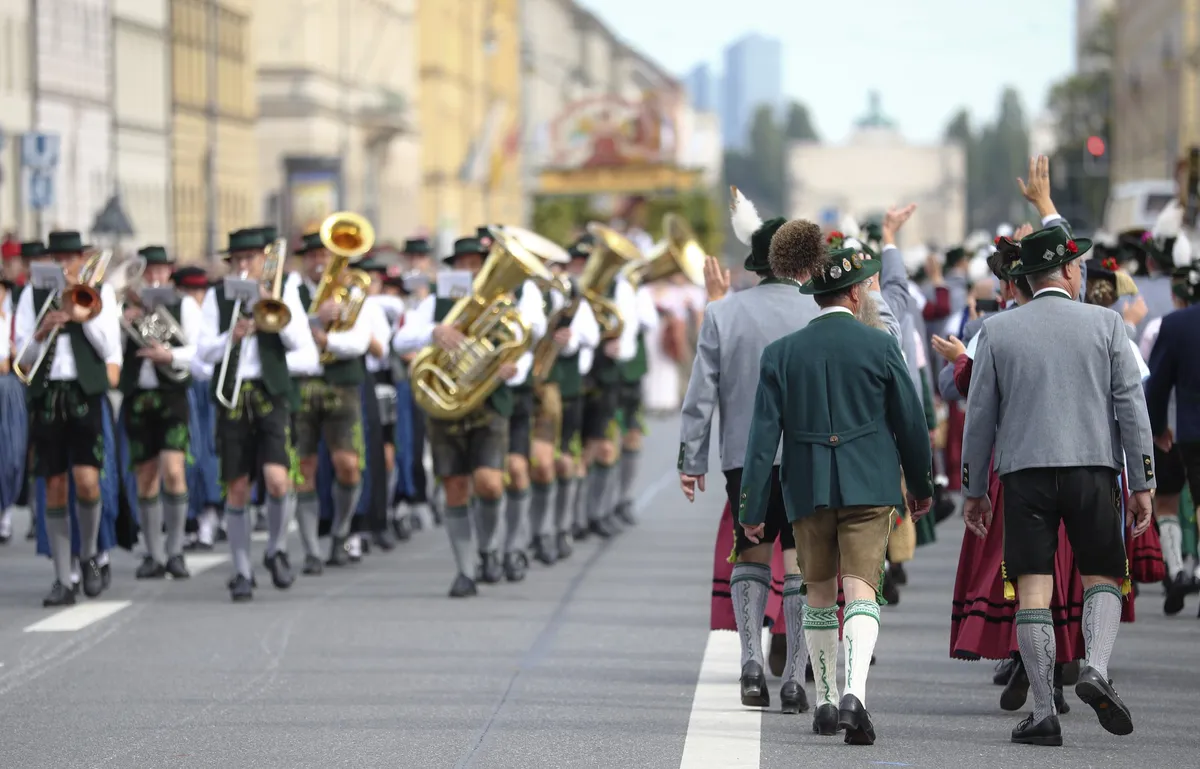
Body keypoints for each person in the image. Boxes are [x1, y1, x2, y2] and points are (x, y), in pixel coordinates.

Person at [961, 208, 1157, 745]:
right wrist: (1142, 482)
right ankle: (1093, 665)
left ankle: (1045, 710)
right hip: (1092, 466)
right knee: (1101, 573)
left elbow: (979, 420)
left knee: (1032, 588)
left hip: (1024, 472)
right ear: (1070, 273)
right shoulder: (1108, 324)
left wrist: (974, 491)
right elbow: (1131, 410)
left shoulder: (996, 330)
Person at [738, 245, 934, 745]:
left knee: (818, 590)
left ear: (816, 296)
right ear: (853, 292)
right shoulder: (881, 344)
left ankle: (825, 701)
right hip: (869, 483)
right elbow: (911, 423)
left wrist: (752, 509)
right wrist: (921, 484)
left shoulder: (781, 353)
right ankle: (855, 695)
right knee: (862, 588)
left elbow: (762, 441)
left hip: (805, 484)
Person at [678, 191, 823, 715]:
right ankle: (795, 677)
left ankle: (749, 662)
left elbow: (700, 394)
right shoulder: (819, 310)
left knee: (750, 552)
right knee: (802, 565)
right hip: (810, 454)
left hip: (744, 456)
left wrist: (690, 459)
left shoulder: (723, 312)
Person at [392, 234, 539, 597]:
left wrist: (513, 370)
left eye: (478, 264)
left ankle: (488, 549)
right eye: (465, 264)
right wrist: (434, 331)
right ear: (454, 269)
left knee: (489, 481)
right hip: (446, 405)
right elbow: (401, 341)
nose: (471, 270)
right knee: (455, 487)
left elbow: (526, 345)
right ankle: (465, 569)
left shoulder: (505, 303)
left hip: (488, 403)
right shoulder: (435, 303)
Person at [196, 228, 312, 602]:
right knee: (238, 485)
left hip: (269, 391)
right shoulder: (217, 296)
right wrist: (232, 336)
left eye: (251, 259)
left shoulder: (285, 288)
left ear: (264, 261)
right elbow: (203, 353)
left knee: (278, 480)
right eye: (238, 260)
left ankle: (276, 548)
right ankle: (241, 570)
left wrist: (270, 305)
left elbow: (300, 343)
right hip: (232, 394)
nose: (244, 266)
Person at [13, 231, 124, 606]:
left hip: (83, 392)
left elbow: (110, 347)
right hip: (47, 394)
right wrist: (42, 331)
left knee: (88, 481)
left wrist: (82, 314)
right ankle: (63, 577)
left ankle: (90, 553)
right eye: (57, 258)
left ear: (81, 259)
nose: (64, 265)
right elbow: (23, 358)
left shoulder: (99, 292)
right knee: (55, 485)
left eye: (70, 257)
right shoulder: (31, 294)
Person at [288, 230, 374, 570]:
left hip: (342, 385)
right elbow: (285, 333)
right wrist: (314, 322)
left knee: (348, 465)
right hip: (303, 385)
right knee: (304, 468)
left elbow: (360, 341)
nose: (320, 262)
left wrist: (328, 338)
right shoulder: (292, 293)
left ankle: (340, 533)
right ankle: (311, 549)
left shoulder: (354, 293)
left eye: (325, 256)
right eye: (312, 256)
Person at [118, 245, 201, 580]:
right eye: (148, 271)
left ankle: (176, 550)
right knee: (146, 475)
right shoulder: (125, 308)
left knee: (174, 470)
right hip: (138, 395)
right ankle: (153, 554)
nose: (154, 276)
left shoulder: (184, 306)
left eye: (160, 270)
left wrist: (171, 356)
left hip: (171, 394)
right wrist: (121, 323)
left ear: (169, 273)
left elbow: (198, 350)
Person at [1145, 238, 1200, 616]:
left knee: (1166, 500)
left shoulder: (1173, 324)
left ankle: (1177, 569)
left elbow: (1157, 383)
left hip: (1182, 430)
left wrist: (1158, 425)